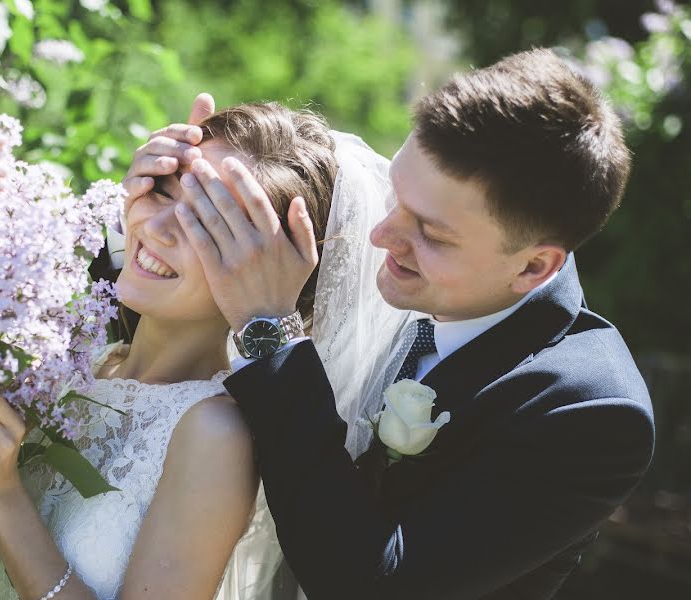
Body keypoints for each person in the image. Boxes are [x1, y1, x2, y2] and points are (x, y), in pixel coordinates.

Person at [164, 49, 656, 599]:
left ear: (534, 266)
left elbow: (373, 585)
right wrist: (146, 210)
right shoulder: (386, 256)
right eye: (396, 193)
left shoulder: (588, 411)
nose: (381, 236)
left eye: (433, 235)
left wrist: (269, 331)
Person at [0, 100, 345, 600]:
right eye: (161, 191)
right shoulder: (69, 355)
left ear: (264, 268)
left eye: (204, 223)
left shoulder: (215, 432)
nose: (156, 229)